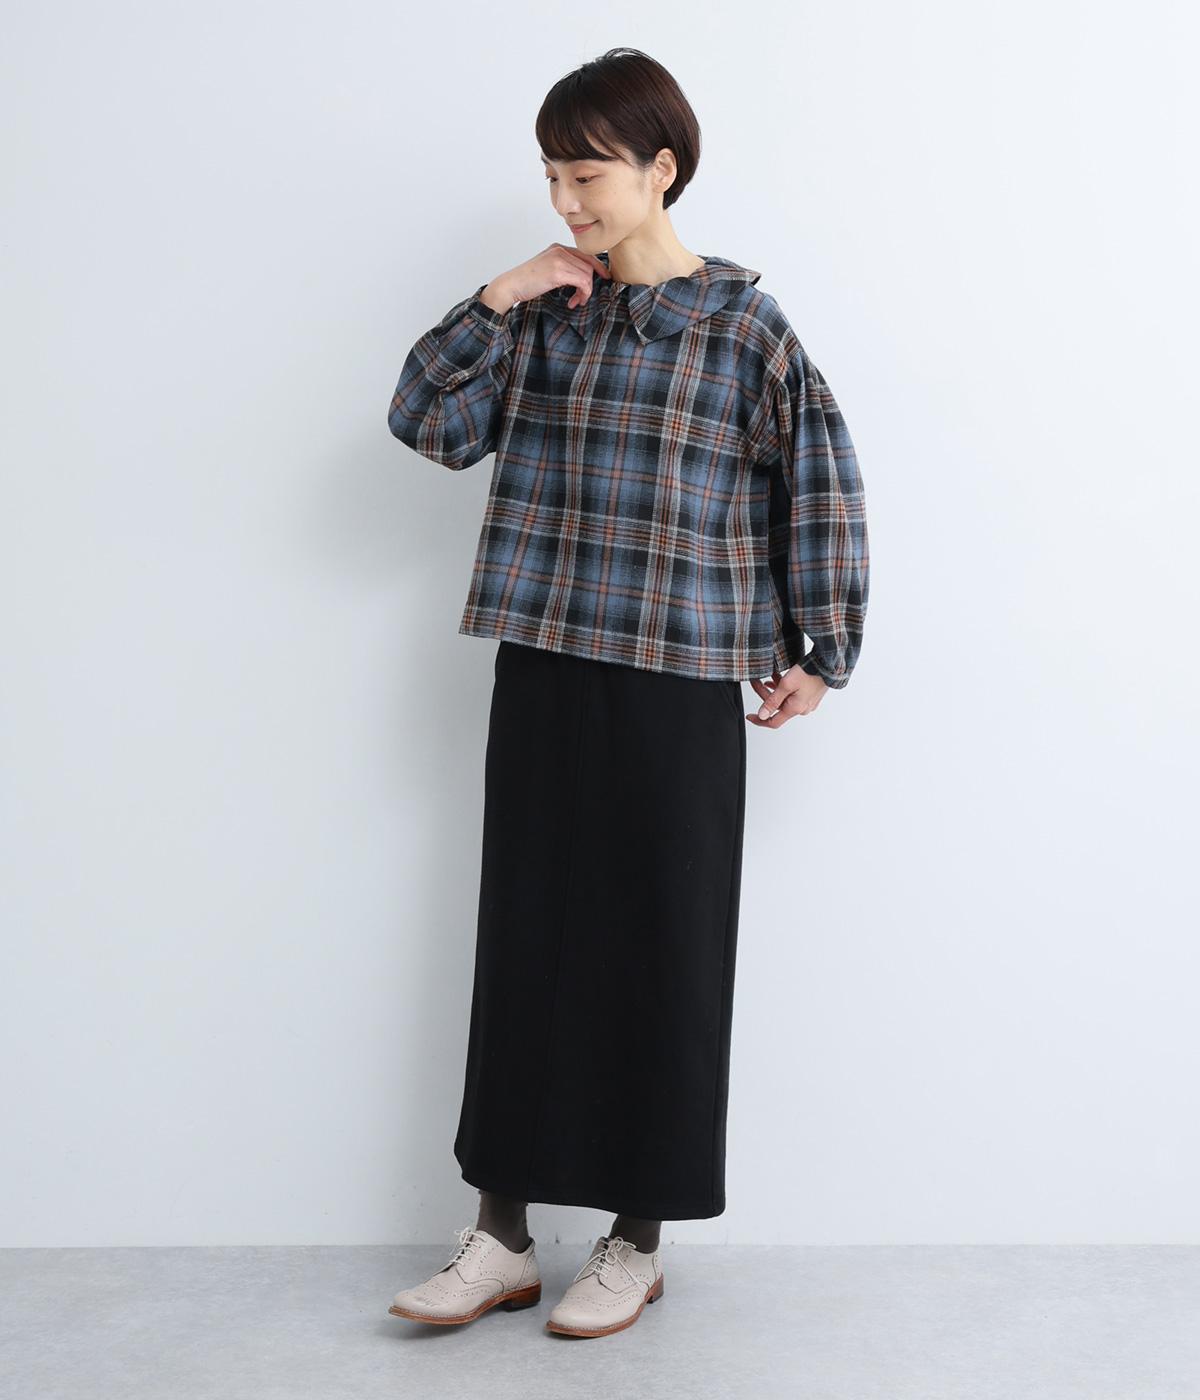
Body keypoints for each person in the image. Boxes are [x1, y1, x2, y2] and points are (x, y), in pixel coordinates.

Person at [384, 47, 869, 1340]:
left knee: (665, 949)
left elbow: (818, 479)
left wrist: (821, 645)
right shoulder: (545, 316)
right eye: (551, 175)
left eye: (587, 175)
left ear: (661, 169)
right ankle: (498, 1237)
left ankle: (636, 1242)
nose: (566, 201)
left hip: (680, 682)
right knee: (526, 944)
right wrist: (498, 295)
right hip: (546, 658)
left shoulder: (745, 329)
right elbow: (427, 425)